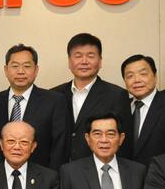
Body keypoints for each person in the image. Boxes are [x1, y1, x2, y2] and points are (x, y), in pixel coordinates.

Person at [0, 44, 71, 169]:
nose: (20, 71)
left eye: (27, 66)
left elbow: (60, 146)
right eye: (15, 66)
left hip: (42, 175)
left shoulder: (54, 101)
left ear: (36, 70)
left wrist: (52, 177)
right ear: (6, 70)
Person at [52, 33, 131, 161]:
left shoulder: (117, 95)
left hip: (96, 168)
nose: (84, 61)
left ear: (100, 61)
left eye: (90, 56)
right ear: (69, 61)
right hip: (58, 167)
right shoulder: (54, 94)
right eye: (78, 56)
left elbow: (123, 141)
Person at [121, 54, 165, 166]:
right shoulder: (120, 107)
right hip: (126, 175)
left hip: (162, 174)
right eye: (130, 76)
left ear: (155, 76)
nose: (137, 80)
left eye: (143, 74)